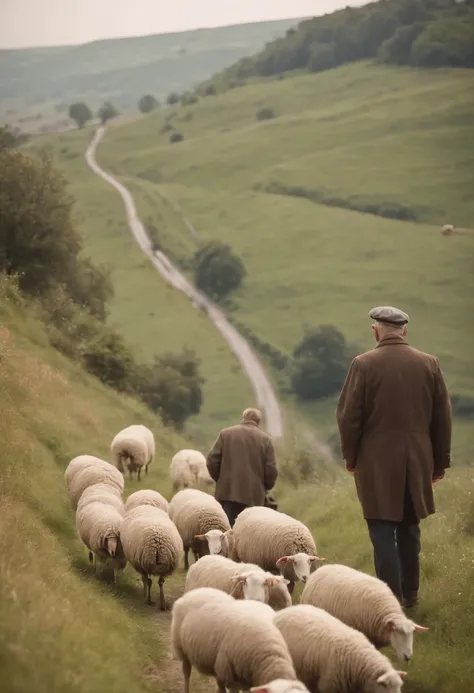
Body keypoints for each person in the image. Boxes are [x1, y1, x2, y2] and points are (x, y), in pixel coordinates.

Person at [336, 306, 452, 608]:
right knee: (410, 528)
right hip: (418, 461)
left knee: (382, 529)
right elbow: (442, 419)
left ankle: (389, 599)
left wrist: (350, 455)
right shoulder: (430, 364)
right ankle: (411, 596)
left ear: (376, 331)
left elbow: (349, 417)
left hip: (375, 464)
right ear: (404, 331)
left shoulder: (362, 364)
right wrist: (439, 463)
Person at [206, 407, 278, 527]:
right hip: (254, 498)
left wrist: (222, 480)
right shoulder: (266, 440)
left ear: (243, 418)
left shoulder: (225, 434)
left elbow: (212, 461)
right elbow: (271, 470)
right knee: (250, 535)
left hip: (228, 493)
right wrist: (264, 487)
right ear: (258, 421)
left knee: (228, 531)